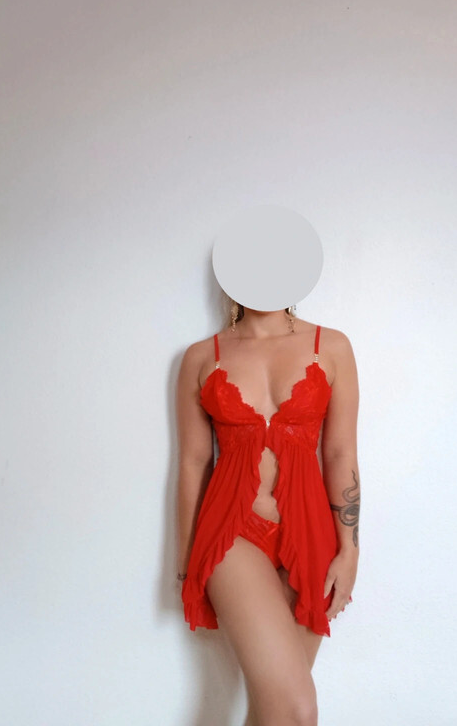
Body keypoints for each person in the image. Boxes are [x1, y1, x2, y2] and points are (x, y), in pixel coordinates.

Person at [176, 301, 360, 726]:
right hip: (232, 533)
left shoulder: (331, 346)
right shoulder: (202, 356)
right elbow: (193, 463)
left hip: (311, 533)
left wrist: (350, 550)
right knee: (297, 710)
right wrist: (187, 568)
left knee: (272, 712)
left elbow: (340, 453)